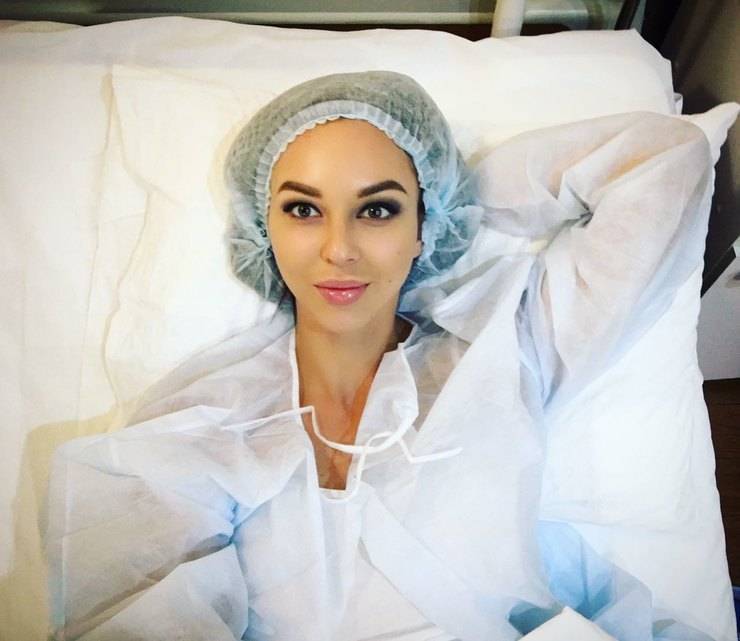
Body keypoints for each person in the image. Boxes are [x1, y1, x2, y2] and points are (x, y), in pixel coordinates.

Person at [45, 70, 721, 640]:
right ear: (262, 225)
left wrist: (460, 201)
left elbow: (665, 161)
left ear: (424, 223)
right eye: (303, 210)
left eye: (378, 210)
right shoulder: (206, 421)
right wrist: (423, 203)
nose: (338, 248)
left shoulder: (503, 350)